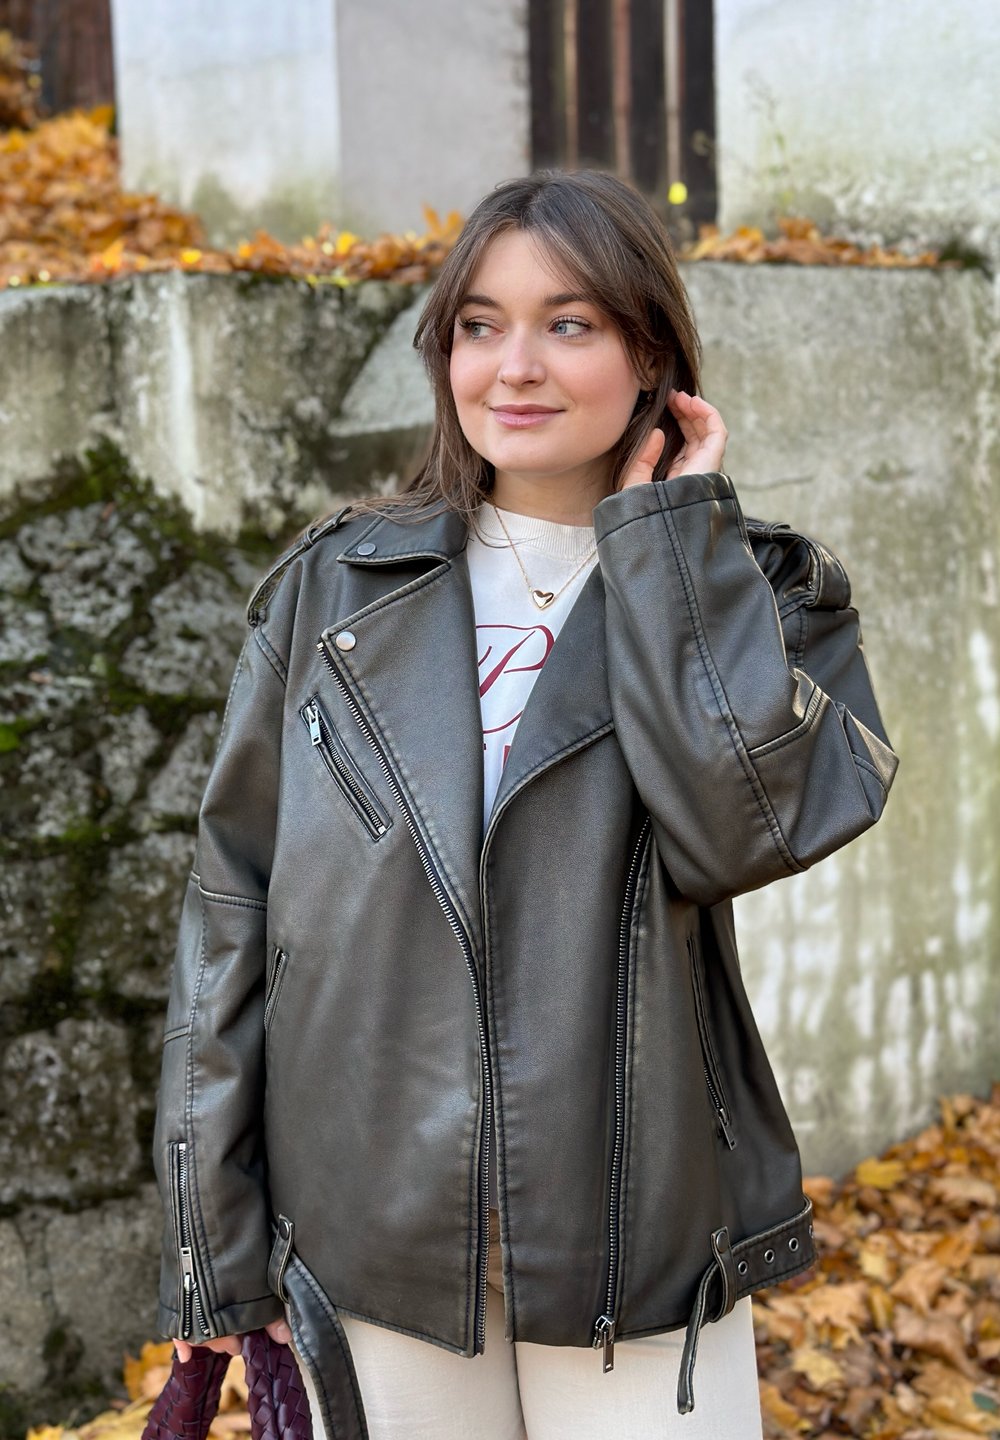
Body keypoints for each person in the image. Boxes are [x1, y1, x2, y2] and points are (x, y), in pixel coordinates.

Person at [152, 169, 897, 1440]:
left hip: (632, 1232)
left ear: (648, 348)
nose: (516, 366)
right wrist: (206, 1232)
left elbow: (740, 831)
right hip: (370, 1225)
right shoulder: (334, 592)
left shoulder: (759, 592)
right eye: (479, 325)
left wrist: (665, 543)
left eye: (570, 323)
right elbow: (234, 905)